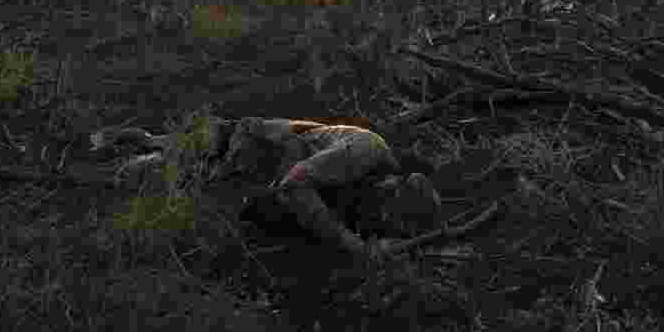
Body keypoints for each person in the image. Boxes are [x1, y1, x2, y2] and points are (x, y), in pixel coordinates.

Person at [92, 116, 442, 264]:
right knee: (142, 176)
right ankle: (103, 151)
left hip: (258, 150)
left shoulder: (369, 188)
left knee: (177, 152)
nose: (383, 221)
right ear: (392, 188)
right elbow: (293, 185)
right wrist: (353, 246)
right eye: (391, 217)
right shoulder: (367, 152)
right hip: (252, 149)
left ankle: (134, 141)